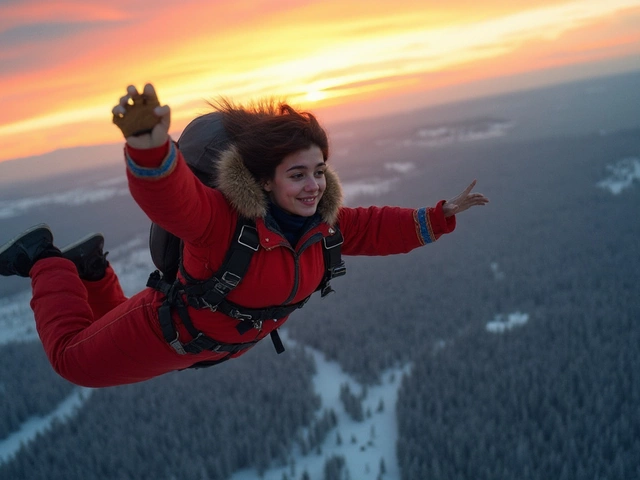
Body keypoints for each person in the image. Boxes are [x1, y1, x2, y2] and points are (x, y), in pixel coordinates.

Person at [0, 84, 489, 388]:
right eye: (297, 174)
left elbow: (380, 228)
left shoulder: (322, 225)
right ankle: (46, 259)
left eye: (318, 170)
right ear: (263, 181)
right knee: (73, 361)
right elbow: (174, 199)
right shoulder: (223, 225)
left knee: (101, 330)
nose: (314, 184)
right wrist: (150, 148)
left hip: (205, 345)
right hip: (169, 331)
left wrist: (441, 214)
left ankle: (90, 270)